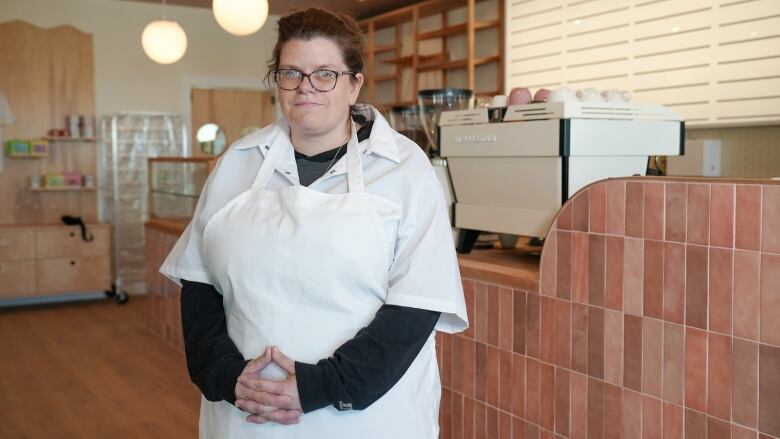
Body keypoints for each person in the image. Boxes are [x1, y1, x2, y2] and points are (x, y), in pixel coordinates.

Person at [160, 8, 467, 439]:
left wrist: (320, 385)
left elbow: (416, 306)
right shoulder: (238, 163)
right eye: (292, 73)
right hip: (248, 416)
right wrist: (225, 375)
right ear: (278, 80)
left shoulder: (405, 171)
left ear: (355, 83)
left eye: (325, 73)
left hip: (365, 420)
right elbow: (199, 284)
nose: (306, 88)